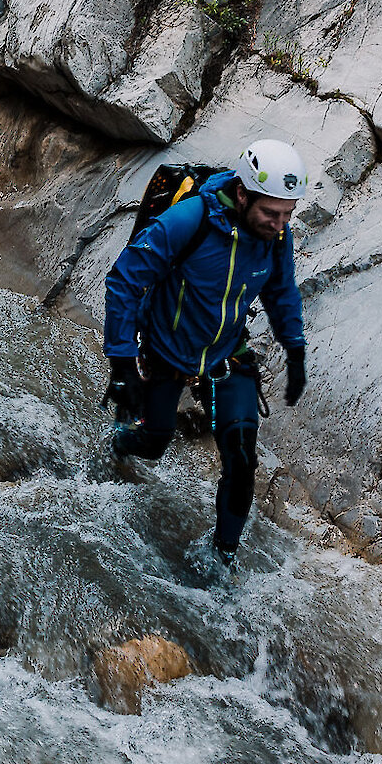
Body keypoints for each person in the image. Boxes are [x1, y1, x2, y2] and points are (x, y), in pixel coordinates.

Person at [102, 139, 310, 576]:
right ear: (242, 194)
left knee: (241, 454)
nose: (280, 224)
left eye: (288, 213)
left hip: (224, 354)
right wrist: (122, 363)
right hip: (166, 349)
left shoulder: (275, 238)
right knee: (154, 443)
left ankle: (222, 557)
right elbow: (123, 280)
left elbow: (281, 291)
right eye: (271, 213)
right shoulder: (188, 221)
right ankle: (119, 440)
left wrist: (294, 349)